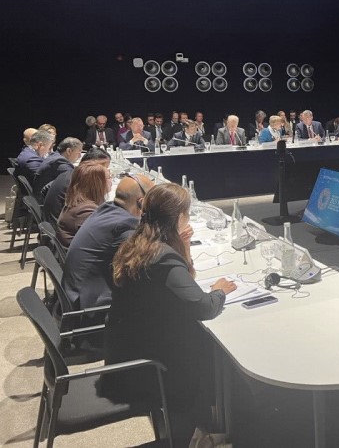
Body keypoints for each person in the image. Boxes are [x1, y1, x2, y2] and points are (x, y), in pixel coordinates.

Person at [105, 183, 237, 444]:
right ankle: (212, 427)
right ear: (178, 218)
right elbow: (204, 306)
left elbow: (184, 279)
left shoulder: (138, 242)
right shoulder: (162, 256)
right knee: (216, 350)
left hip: (127, 345)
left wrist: (183, 246)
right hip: (148, 362)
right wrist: (219, 291)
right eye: (186, 213)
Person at [62, 174, 155, 310]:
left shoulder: (105, 209)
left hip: (74, 292)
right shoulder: (125, 225)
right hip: (88, 308)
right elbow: (143, 268)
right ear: (141, 202)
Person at [43, 148, 110, 225]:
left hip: (57, 221)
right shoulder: (77, 181)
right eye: (103, 167)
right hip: (59, 224)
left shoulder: (71, 174)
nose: (105, 171)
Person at [56, 162, 112, 247]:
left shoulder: (79, 201)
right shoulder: (86, 211)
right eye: (109, 177)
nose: (111, 180)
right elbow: (104, 240)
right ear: (97, 183)